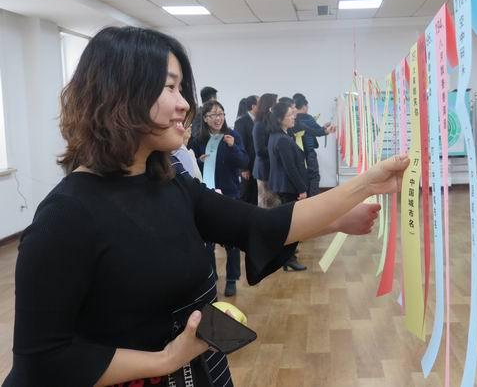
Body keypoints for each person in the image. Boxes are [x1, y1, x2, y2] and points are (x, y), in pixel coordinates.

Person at [5, 26, 407, 387]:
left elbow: (257, 225)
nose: (185, 104)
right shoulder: (66, 217)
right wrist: (164, 359)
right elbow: (43, 361)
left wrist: (338, 215)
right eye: (169, 88)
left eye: (182, 90)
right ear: (119, 94)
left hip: (197, 371)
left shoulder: (173, 185)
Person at [194, 100, 248, 297]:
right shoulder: (198, 139)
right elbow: (191, 165)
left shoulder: (232, 135)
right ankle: (211, 274)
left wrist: (233, 147)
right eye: (213, 115)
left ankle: (232, 278)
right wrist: (198, 161)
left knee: (231, 238)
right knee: (207, 240)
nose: (218, 118)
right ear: (205, 118)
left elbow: (244, 162)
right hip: (205, 194)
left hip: (230, 193)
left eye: (221, 114)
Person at [268, 102, 309, 271]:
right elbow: (290, 168)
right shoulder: (282, 139)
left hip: (284, 186)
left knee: (289, 224)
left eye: (293, 114)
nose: (293, 117)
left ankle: (287, 257)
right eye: (290, 115)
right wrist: (302, 189)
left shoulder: (278, 135)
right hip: (288, 187)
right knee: (292, 226)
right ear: (279, 119)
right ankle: (289, 258)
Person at [293, 93, 335, 197]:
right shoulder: (308, 117)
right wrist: (325, 130)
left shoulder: (294, 120)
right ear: (304, 106)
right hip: (309, 152)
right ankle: (313, 199)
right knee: (314, 176)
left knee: (302, 176)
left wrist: (323, 128)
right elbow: (315, 131)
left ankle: (304, 198)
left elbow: (312, 130)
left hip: (296, 153)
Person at [252, 93, 279, 208]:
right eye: (275, 104)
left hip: (272, 169)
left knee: (273, 203)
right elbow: (259, 151)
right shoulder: (259, 125)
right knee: (266, 203)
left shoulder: (271, 123)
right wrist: (276, 150)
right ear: (268, 106)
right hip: (264, 170)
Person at [234, 95, 259, 205]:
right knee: (247, 195)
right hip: (247, 166)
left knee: (255, 195)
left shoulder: (259, 120)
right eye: (260, 104)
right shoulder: (241, 122)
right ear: (253, 106)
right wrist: (243, 168)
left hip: (256, 165)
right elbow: (240, 145)